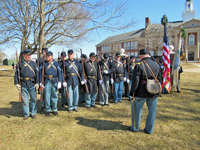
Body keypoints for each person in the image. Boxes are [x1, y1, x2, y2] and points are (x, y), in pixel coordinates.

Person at [130, 49, 161, 134]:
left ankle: (135, 127)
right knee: (152, 111)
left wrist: (132, 92)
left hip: (141, 91)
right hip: (154, 90)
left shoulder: (139, 65)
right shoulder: (156, 64)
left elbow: (135, 80)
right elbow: (159, 79)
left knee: (137, 110)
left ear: (141, 56)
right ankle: (149, 129)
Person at [14, 49, 39, 120]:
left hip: (32, 83)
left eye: (29, 55)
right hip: (24, 84)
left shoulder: (34, 63)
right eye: (27, 55)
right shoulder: (20, 64)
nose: (29, 56)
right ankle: (26, 114)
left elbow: (37, 74)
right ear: (23, 55)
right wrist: (16, 83)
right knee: (25, 101)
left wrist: (37, 83)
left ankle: (33, 113)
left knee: (34, 99)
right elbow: (16, 74)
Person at [39, 51, 62, 116]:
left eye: (49, 56)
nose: (47, 57)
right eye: (46, 56)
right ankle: (47, 109)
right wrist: (41, 82)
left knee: (54, 96)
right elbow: (40, 73)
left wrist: (60, 81)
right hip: (46, 81)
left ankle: (54, 109)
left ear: (52, 56)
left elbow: (59, 73)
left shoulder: (56, 63)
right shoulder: (43, 63)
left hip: (54, 80)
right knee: (47, 96)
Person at [36, 47, 48, 111]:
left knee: (48, 93)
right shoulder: (39, 59)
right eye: (44, 51)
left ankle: (48, 104)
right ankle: (42, 105)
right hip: (41, 77)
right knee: (42, 93)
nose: (45, 53)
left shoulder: (47, 60)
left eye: (46, 51)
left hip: (47, 78)